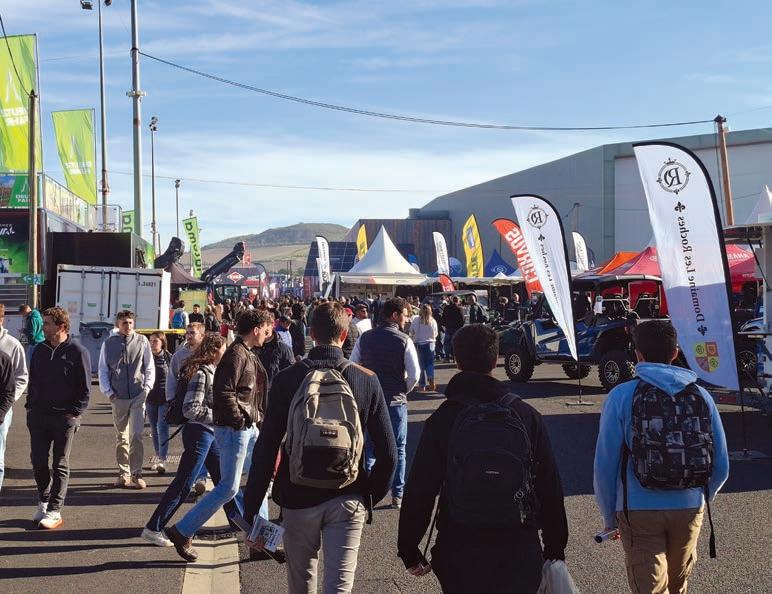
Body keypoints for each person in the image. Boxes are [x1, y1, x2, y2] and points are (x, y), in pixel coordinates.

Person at [397, 324, 568, 593]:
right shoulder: (526, 415)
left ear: (457, 360)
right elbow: (549, 486)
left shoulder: (444, 418)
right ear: (495, 359)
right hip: (518, 543)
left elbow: (422, 486)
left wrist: (408, 546)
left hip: (460, 543)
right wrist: (555, 547)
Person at [244, 301, 397, 593]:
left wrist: (253, 514)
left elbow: (265, 450)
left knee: (301, 585)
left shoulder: (287, 379)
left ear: (311, 333)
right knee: (339, 588)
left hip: (297, 498)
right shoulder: (366, 379)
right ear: (344, 335)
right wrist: (366, 498)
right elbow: (389, 454)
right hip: (348, 496)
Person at [593, 320, 730, 594]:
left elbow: (605, 464)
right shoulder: (701, 395)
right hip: (689, 505)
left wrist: (610, 516)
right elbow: (721, 464)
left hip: (638, 507)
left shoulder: (621, 395)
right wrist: (701, 498)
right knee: (678, 584)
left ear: (637, 354)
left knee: (650, 588)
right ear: (676, 352)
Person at [166, 309, 272, 562]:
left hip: (245, 426)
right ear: (256, 329)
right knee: (228, 488)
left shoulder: (244, 352)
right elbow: (225, 392)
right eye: (266, 329)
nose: (268, 334)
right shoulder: (237, 354)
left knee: (259, 479)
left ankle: (261, 541)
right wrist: (240, 420)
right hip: (236, 428)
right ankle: (182, 530)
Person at [142, 334, 242, 547]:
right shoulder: (202, 373)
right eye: (223, 349)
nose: (226, 353)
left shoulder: (210, 370)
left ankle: (241, 524)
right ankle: (153, 528)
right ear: (214, 351)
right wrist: (220, 417)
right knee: (184, 484)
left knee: (225, 481)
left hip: (207, 433)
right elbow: (190, 408)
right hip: (199, 434)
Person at [350, 297, 419, 509]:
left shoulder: (365, 338)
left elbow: (352, 365)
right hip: (395, 401)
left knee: (369, 449)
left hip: (370, 401)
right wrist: (402, 389)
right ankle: (397, 494)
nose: (407, 320)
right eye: (405, 315)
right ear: (395, 315)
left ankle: (369, 494)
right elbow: (414, 375)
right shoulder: (404, 340)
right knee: (398, 449)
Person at [26, 307, 91, 529]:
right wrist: (30, 408)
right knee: (38, 462)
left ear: (61, 327)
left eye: (47, 323)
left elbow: (85, 389)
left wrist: (74, 412)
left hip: (64, 418)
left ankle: (55, 510)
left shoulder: (77, 351)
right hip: (39, 416)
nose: (42, 327)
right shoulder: (40, 350)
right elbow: (33, 381)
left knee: (59, 463)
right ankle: (43, 502)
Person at [98, 310, 155, 489]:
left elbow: (149, 366)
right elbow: (103, 369)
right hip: (118, 396)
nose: (128, 326)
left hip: (138, 394)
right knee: (121, 437)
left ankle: (137, 473)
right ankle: (124, 473)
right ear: (118, 324)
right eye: (124, 323)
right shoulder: (108, 344)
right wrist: (109, 393)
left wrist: (147, 388)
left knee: (137, 435)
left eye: (130, 322)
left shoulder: (142, 341)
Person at [0, 304, 28, 493]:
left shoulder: (12, 345)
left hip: (2, 407)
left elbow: (21, 376)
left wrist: (8, 401)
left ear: (1, 320)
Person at [146, 332, 171, 474]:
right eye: (150, 341)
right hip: (150, 397)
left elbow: (174, 376)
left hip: (165, 398)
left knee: (162, 427)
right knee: (154, 429)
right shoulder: (146, 357)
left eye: (155, 341)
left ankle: (163, 459)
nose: (152, 343)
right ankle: (157, 456)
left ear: (162, 342)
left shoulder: (168, 357)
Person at [409, 304, 438, 392]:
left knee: (420, 365)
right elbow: (435, 333)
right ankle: (430, 377)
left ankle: (422, 385)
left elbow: (411, 331)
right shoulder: (432, 321)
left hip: (419, 343)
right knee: (430, 364)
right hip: (431, 343)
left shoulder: (416, 320)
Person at [441, 296, 464, 362]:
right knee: (455, 343)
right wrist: (460, 326)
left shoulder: (447, 308)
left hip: (448, 327)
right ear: (458, 301)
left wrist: (445, 324)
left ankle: (447, 357)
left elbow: (443, 318)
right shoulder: (459, 308)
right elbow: (462, 319)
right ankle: (454, 357)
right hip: (456, 328)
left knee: (447, 343)